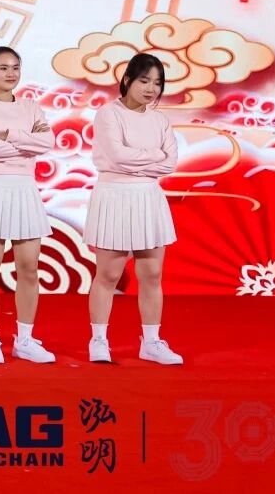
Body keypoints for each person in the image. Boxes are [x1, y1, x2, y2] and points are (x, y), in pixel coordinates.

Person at [85, 53, 182, 365]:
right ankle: (99, 340)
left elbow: (170, 162)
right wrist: (152, 156)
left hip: (148, 197)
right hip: (114, 195)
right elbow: (117, 155)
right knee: (109, 273)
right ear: (127, 80)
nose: (151, 88)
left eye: (157, 83)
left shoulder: (160, 120)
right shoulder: (108, 114)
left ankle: (151, 342)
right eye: (144, 81)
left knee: (152, 273)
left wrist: (139, 159)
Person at [0, 46, 56, 364]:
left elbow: (47, 142)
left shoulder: (31, 107)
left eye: (15, 67)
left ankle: (25, 339)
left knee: (29, 267)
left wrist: (11, 135)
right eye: (3, 68)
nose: (10, 73)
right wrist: (26, 141)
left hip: (25, 189)